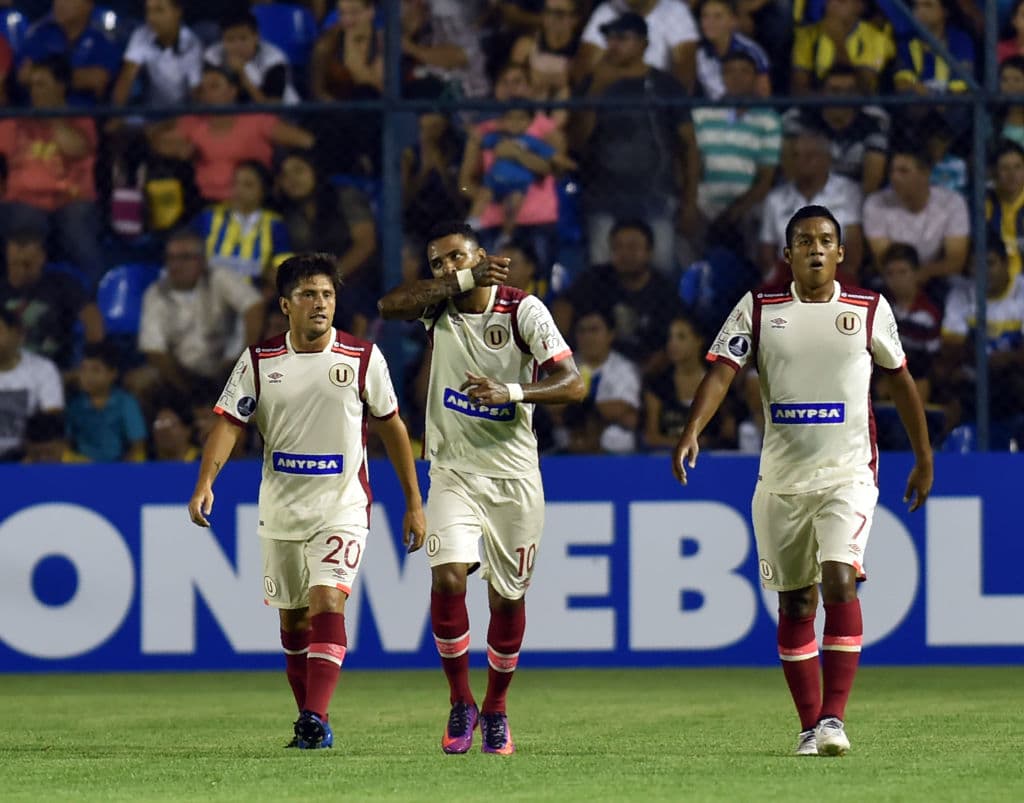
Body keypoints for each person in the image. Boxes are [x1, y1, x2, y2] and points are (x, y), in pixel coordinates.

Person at [671, 205, 933, 757]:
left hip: (848, 472)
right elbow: (721, 370)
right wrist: (693, 429)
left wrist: (924, 456)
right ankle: (810, 727)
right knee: (794, 604)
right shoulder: (760, 309)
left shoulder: (867, 309)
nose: (816, 248)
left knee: (840, 577)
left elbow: (901, 382)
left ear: (841, 252)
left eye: (826, 240)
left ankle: (834, 719)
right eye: (804, 240)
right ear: (785, 254)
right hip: (781, 478)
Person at [189, 253, 426, 750]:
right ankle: (311, 721)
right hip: (280, 509)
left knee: (327, 599)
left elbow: (392, 428)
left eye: (328, 295)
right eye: (309, 295)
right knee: (292, 621)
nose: (320, 304)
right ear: (285, 305)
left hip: (342, 505)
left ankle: (315, 715)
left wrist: (414, 502)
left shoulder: (363, 357)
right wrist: (205, 482)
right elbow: (230, 422)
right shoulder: (260, 361)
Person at [377, 220, 585, 755]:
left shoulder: (523, 310)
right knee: (448, 577)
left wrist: (513, 392)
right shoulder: (438, 306)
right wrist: (458, 283)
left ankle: (496, 708)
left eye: (457, 258)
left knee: (506, 597)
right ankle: (459, 701)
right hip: (452, 470)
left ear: (482, 256)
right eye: (439, 263)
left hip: (515, 478)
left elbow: (573, 382)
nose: (448, 268)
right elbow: (388, 306)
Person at [66, 340, 148, 462]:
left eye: (95, 370)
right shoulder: (74, 405)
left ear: (113, 374)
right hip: (82, 469)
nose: (87, 376)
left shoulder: (126, 402)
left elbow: (138, 446)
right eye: (83, 369)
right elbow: (65, 443)